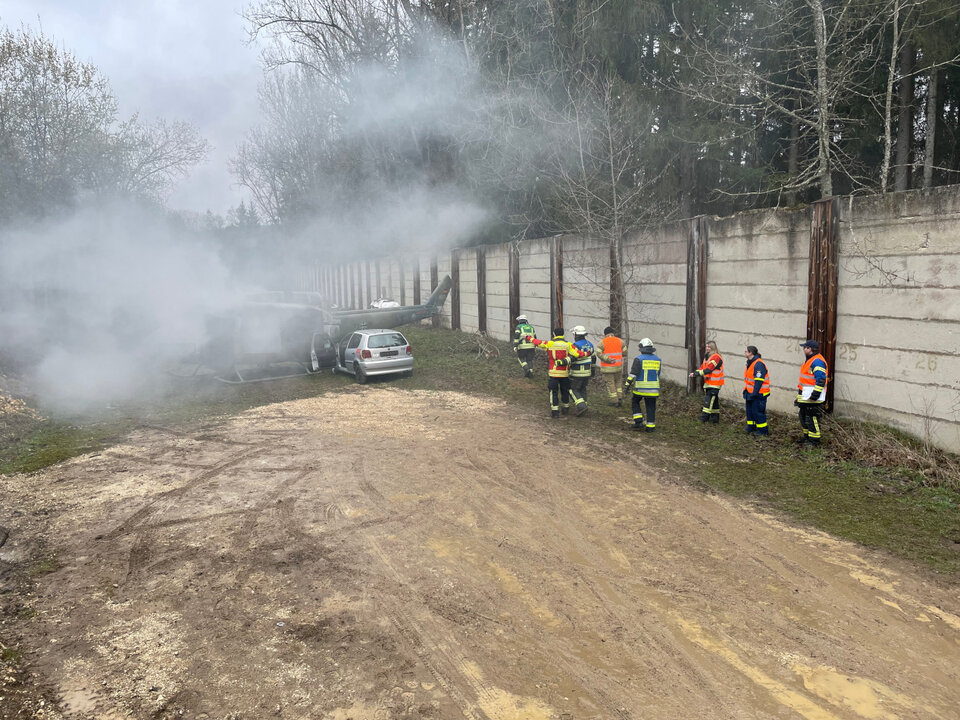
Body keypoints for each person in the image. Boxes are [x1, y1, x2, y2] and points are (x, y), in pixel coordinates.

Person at [529, 327, 584, 418]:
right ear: (563, 334)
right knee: (565, 391)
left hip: (553, 373)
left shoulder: (550, 344)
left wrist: (528, 338)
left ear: (554, 334)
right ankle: (566, 408)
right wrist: (587, 353)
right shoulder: (568, 344)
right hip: (564, 373)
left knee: (553, 392)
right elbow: (578, 354)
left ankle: (555, 412)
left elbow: (538, 342)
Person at [796, 339, 828, 446]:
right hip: (806, 396)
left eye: (804, 347)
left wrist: (815, 395)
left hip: (813, 397)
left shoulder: (817, 361)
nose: (803, 349)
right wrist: (799, 396)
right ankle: (807, 437)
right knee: (803, 416)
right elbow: (805, 382)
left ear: (809, 349)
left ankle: (814, 441)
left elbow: (821, 380)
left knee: (811, 418)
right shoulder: (810, 360)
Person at [624, 338, 661, 432]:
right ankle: (650, 427)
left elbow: (633, 374)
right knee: (651, 406)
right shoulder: (658, 360)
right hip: (653, 389)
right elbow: (658, 373)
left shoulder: (638, 359)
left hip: (641, 388)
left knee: (635, 401)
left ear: (641, 348)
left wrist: (627, 385)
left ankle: (638, 421)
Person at [689, 340, 724, 423]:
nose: (707, 348)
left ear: (713, 347)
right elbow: (702, 367)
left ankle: (704, 418)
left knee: (708, 401)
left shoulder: (716, 357)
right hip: (709, 383)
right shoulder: (708, 356)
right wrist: (695, 373)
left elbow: (708, 369)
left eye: (709, 347)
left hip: (715, 384)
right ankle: (715, 419)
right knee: (714, 402)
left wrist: (696, 374)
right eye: (706, 346)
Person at [568, 325, 596, 416]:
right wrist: (593, 370)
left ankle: (581, 406)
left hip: (577, 372)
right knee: (582, 389)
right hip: (587, 371)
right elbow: (593, 358)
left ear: (576, 335)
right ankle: (584, 405)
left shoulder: (575, 345)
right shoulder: (590, 344)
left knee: (572, 389)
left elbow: (572, 358)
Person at [743, 345, 770, 437]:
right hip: (751, 392)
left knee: (758, 412)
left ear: (751, 352)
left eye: (746, 351)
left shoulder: (758, 364)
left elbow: (759, 381)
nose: (745, 352)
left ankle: (762, 431)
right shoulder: (750, 362)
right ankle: (751, 427)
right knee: (750, 412)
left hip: (759, 393)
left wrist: (754, 393)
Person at [595, 326, 624, 406]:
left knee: (610, 383)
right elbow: (625, 352)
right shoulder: (620, 341)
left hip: (608, 368)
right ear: (613, 333)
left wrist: (608, 359)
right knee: (618, 382)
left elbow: (598, 353)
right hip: (618, 367)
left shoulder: (602, 342)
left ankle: (614, 401)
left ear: (605, 334)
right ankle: (620, 398)